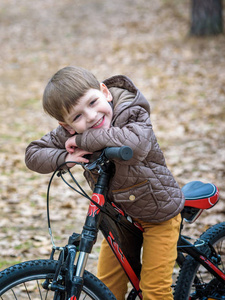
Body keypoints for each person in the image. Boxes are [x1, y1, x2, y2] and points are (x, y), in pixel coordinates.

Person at [25, 66, 185, 299]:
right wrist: (65, 157)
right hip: (118, 218)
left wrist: (81, 139)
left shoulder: (130, 111)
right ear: (66, 126)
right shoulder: (71, 132)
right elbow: (33, 154)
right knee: (108, 287)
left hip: (158, 214)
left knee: (154, 292)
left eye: (92, 102)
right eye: (77, 117)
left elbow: (137, 144)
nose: (91, 117)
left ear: (105, 92)